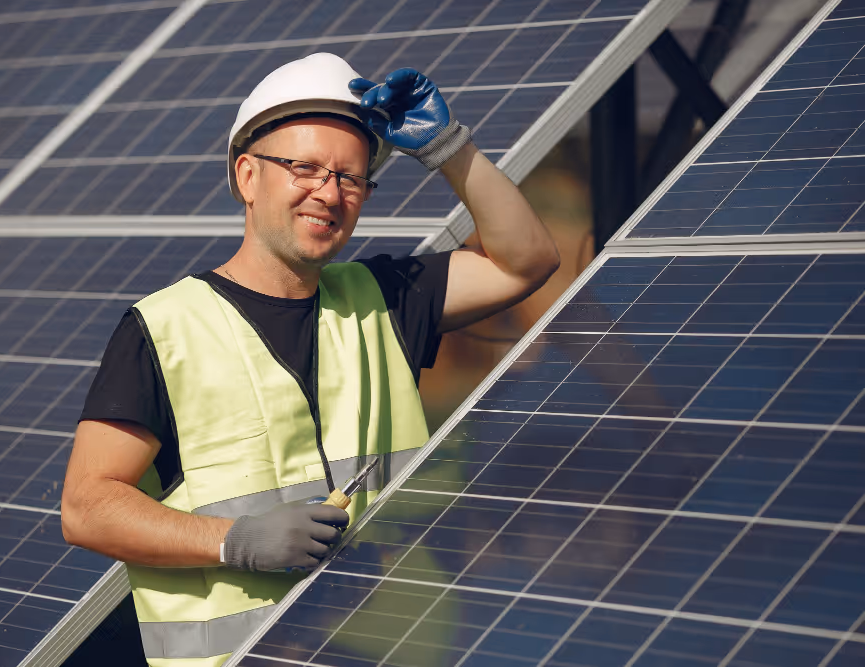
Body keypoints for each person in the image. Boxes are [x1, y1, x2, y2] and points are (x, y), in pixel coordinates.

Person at [61, 53, 559, 666]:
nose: (329, 192)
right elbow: (86, 509)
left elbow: (526, 261)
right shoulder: (165, 329)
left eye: (351, 178)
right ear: (248, 176)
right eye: (305, 168)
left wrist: (450, 149)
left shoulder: (383, 299)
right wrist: (236, 541)